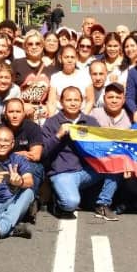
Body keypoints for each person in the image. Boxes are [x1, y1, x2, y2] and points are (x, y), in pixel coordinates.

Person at [41, 86, 117, 219]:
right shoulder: (51, 122)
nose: (73, 103)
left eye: (76, 100)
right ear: (61, 102)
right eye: (68, 100)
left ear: (82, 102)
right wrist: (58, 135)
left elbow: (101, 149)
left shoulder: (91, 122)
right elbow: (43, 152)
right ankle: (57, 201)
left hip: (88, 171)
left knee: (117, 164)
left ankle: (102, 203)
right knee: (71, 203)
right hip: (63, 172)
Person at [12, 30, 53, 123]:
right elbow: (10, 90)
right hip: (21, 113)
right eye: (30, 44)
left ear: (42, 46)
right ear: (25, 47)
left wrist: (47, 107)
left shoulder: (50, 67)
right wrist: (21, 105)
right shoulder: (16, 64)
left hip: (42, 115)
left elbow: (53, 94)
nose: (34, 47)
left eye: (37, 44)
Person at [48, 46, 94, 115]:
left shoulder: (85, 76)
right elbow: (51, 102)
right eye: (66, 57)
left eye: (72, 57)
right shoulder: (55, 77)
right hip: (60, 115)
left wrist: (83, 117)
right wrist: (53, 120)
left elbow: (90, 100)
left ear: (76, 59)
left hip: (81, 114)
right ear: (60, 58)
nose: (69, 60)